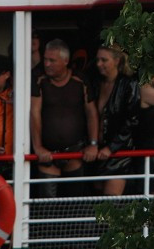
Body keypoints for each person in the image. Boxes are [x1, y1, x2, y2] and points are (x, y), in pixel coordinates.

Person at [31, 39, 98, 197]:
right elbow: (34, 113)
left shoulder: (80, 80)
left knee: (73, 202)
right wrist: (38, 147)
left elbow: (92, 112)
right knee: (47, 205)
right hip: (47, 153)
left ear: (66, 61)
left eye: (52, 60)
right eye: (45, 59)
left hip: (75, 152)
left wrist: (93, 144)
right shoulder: (39, 80)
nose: (47, 64)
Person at [84, 46, 140, 196]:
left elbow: (132, 121)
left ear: (117, 60)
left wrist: (111, 148)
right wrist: (93, 144)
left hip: (119, 153)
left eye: (104, 60)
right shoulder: (95, 83)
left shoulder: (129, 84)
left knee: (110, 203)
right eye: (97, 60)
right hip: (97, 152)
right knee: (95, 201)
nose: (99, 64)